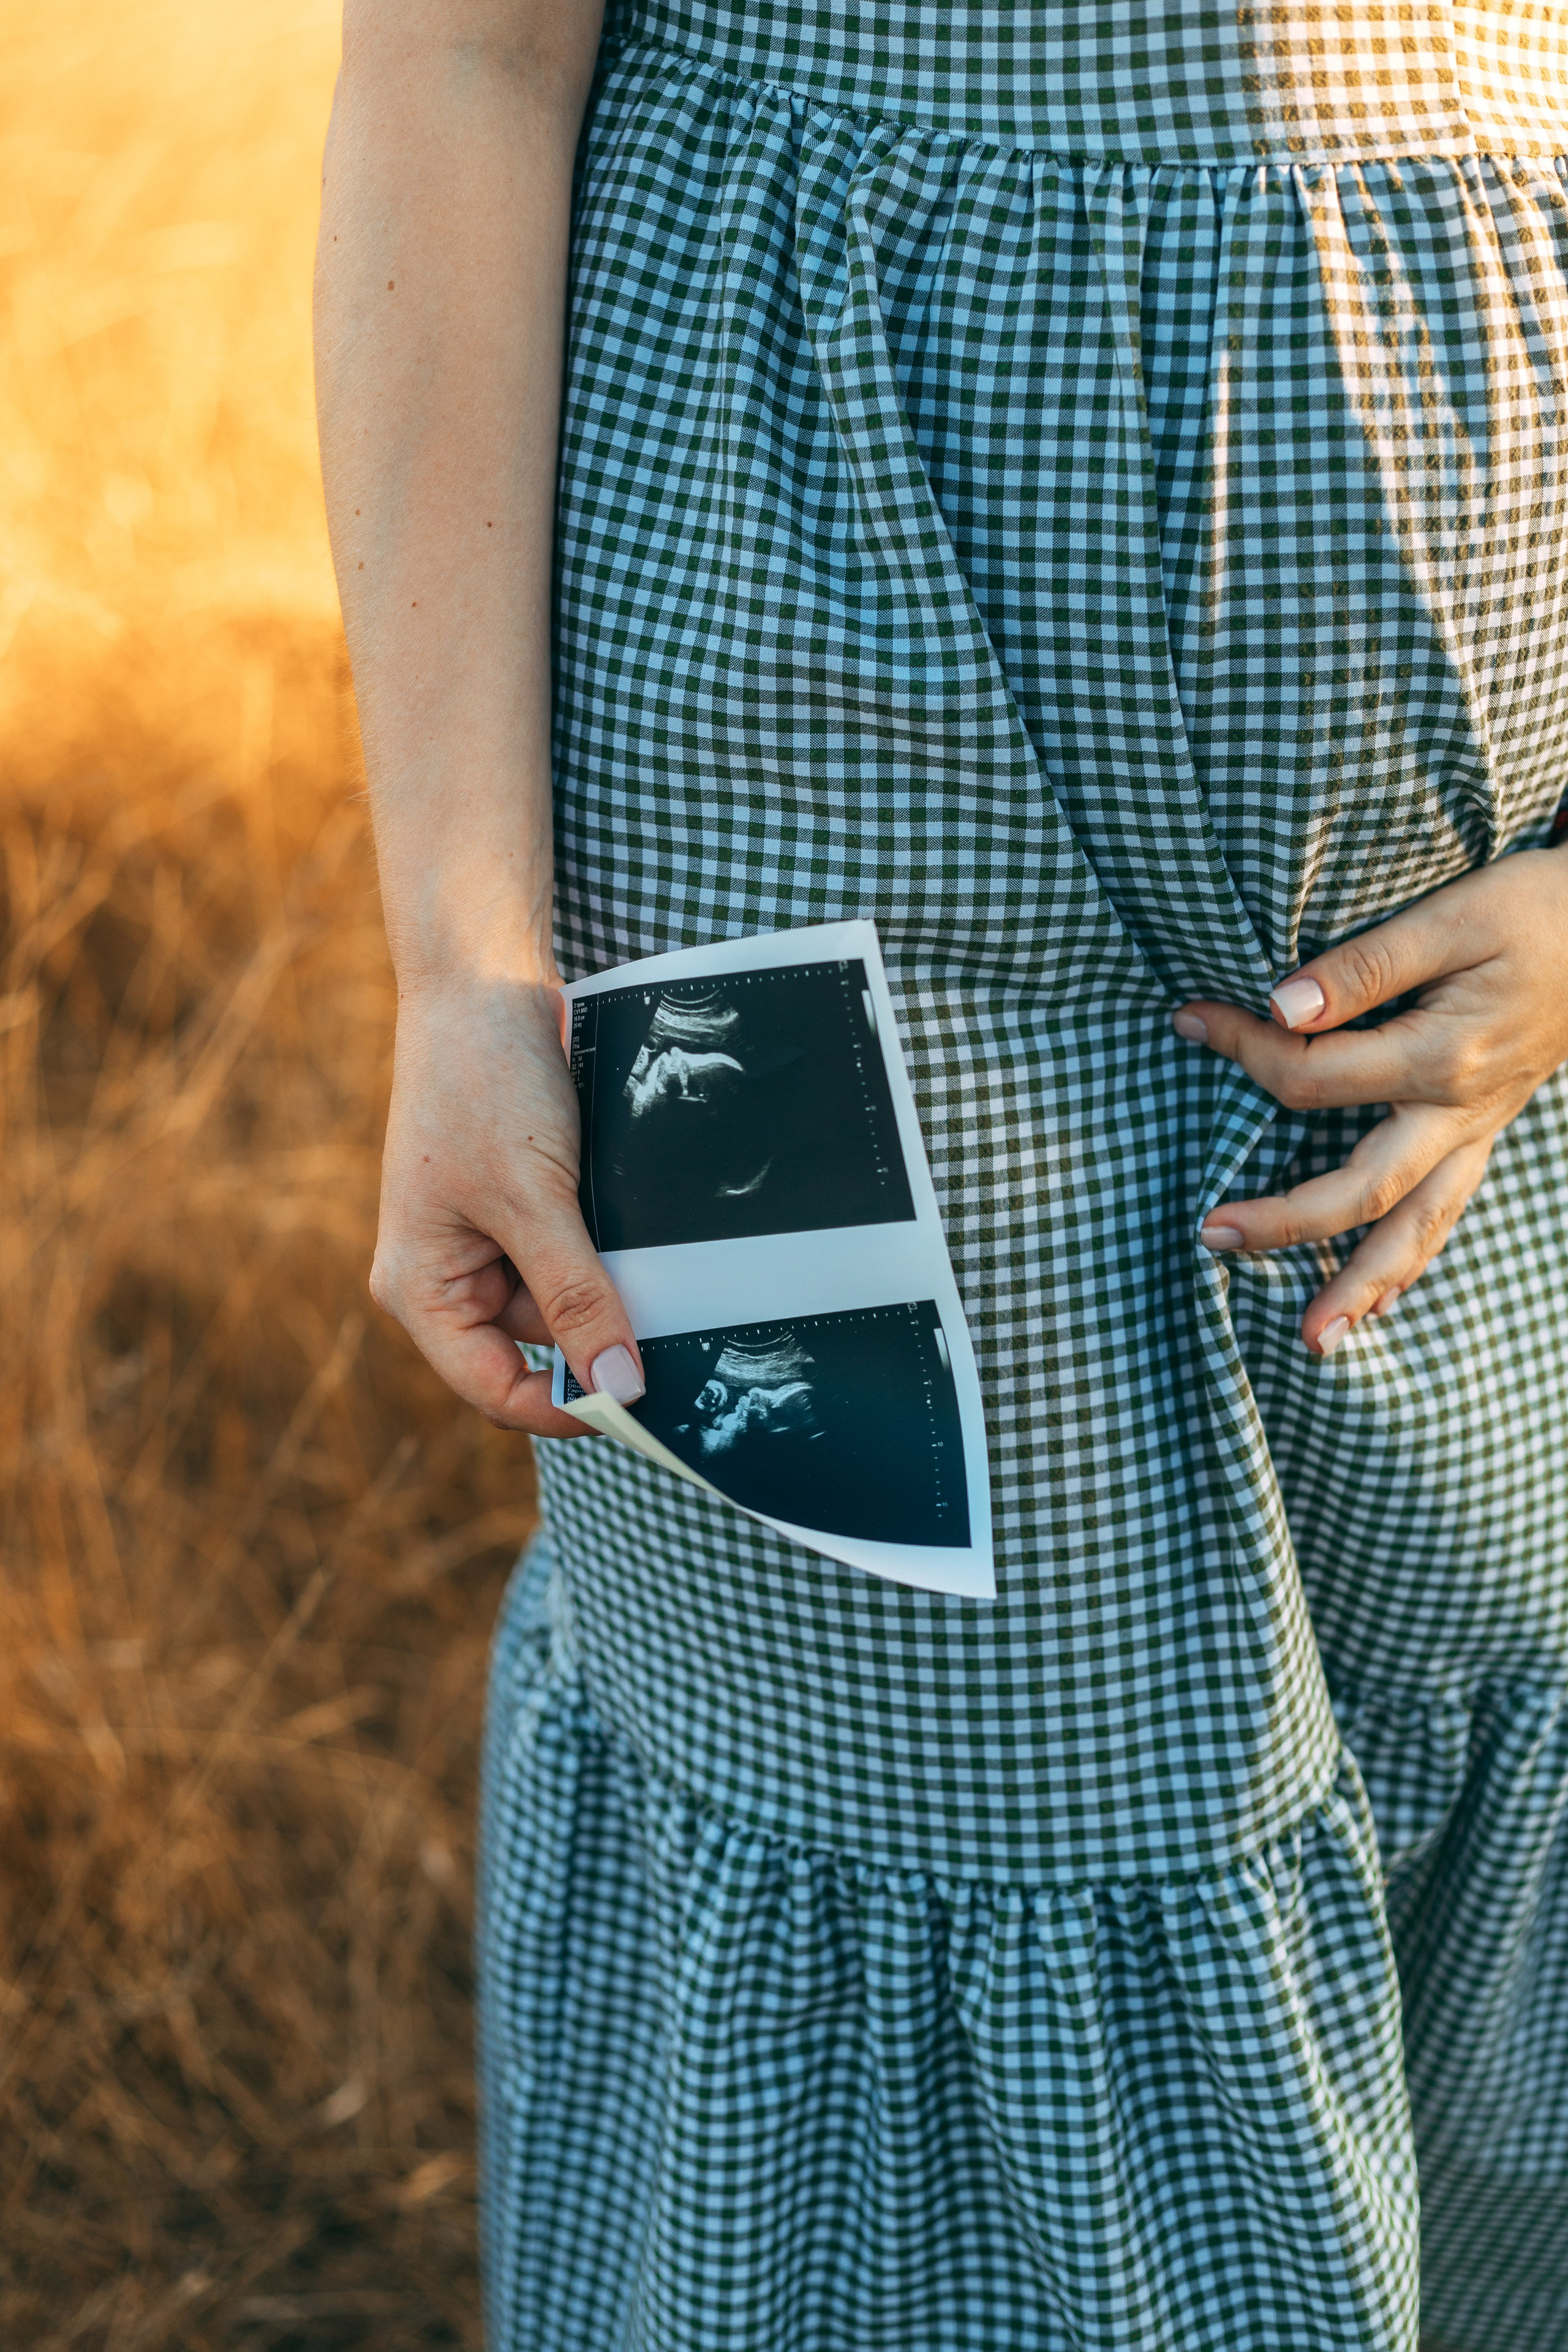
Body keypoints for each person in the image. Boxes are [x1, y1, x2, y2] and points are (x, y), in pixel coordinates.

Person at [314, 3, 1568, 2345]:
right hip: (785, 826)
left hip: (1483, 932)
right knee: (919, 1783)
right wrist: (463, 963)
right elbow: (459, 66)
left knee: (1457, 1664)